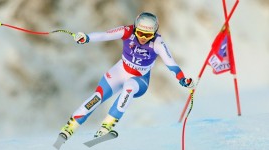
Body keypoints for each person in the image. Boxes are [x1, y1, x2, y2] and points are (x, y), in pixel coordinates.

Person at [58, 12, 193, 141]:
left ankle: (107, 126)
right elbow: (105, 35)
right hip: (120, 71)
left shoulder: (158, 43)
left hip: (139, 79)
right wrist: (86, 38)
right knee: (97, 97)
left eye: (148, 35)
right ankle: (71, 126)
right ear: (135, 28)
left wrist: (182, 78)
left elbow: (171, 63)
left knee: (129, 87)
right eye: (140, 33)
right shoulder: (127, 31)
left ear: (155, 32)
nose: (143, 38)